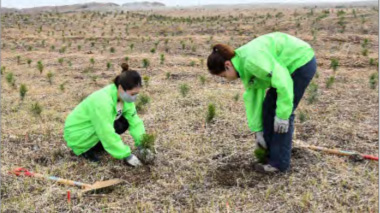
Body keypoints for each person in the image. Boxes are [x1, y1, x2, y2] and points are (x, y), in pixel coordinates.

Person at [206, 32, 317, 173]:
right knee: (268, 109)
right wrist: (258, 131)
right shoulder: (242, 65)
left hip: (301, 61)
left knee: (282, 112)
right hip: (288, 66)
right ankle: (270, 155)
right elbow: (253, 97)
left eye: (223, 76)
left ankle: (278, 164)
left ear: (227, 65)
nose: (225, 79)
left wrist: (282, 116)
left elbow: (282, 81)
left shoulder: (252, 61)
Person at [63, 63, 153, 167]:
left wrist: (143, 144)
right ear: (120, 88)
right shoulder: (103, 101)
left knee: (124, 122)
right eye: (132, 94)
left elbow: (135, 122)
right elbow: (106, 131)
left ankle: (99, 146)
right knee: (106, 131)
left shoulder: (124, 99)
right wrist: (126, 155)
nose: (135, 97)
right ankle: (85, 149)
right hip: (78, 133)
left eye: (137, 94)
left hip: (94, 128)